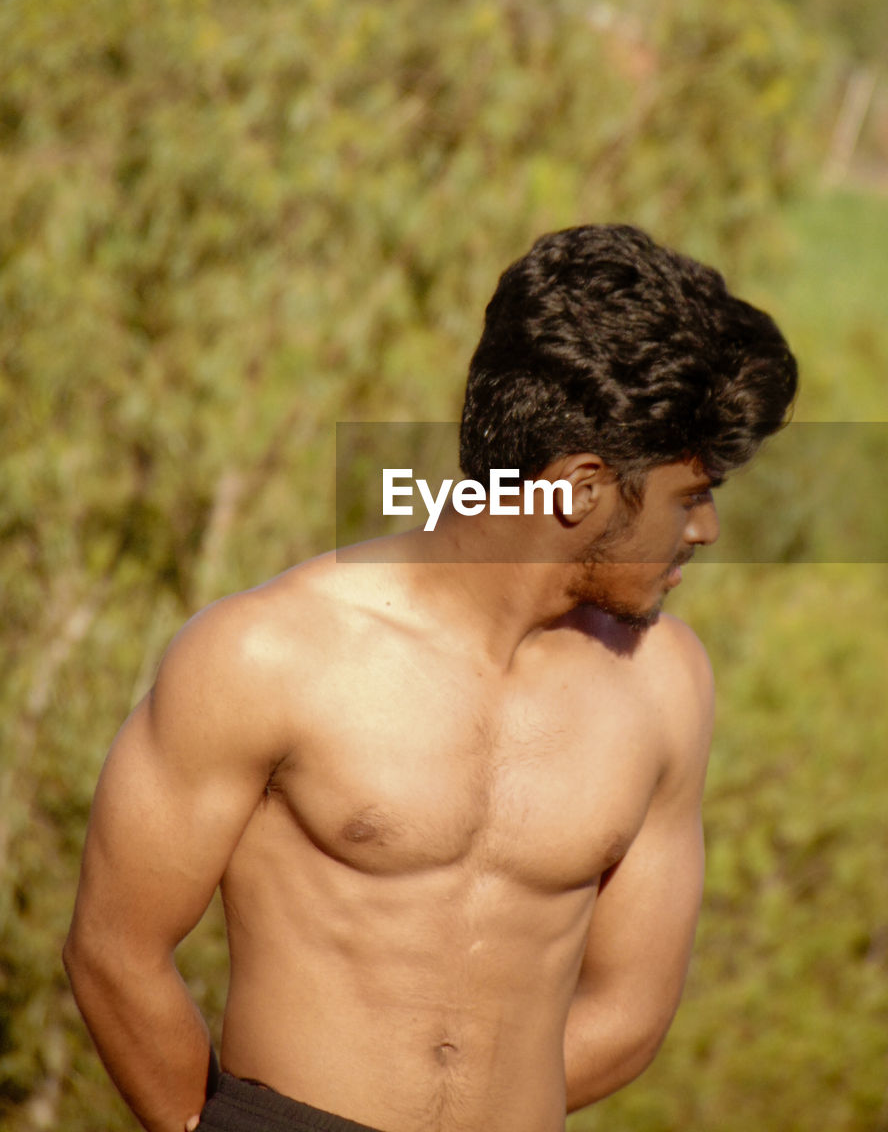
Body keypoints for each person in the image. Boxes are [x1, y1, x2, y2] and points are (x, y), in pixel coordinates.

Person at [64, 224, 797, 1132]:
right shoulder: (270, 653)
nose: (707, 530)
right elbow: (114, 948)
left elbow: (632, 1010)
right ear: (578, 488)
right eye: (691, 495)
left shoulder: (666, 685)